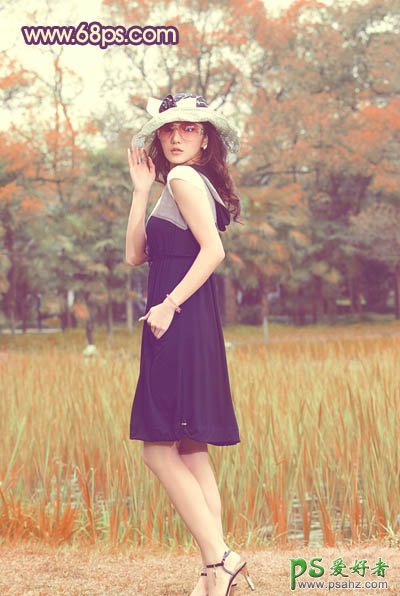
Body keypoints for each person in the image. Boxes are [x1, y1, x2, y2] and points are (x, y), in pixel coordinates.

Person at [125, 92, 255, 596]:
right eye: (168, 129)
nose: (176, 137)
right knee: (191, 448)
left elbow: (213, 251)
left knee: (158, 450)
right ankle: (213, 572)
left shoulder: (183, 178)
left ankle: (221, 559)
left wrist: (168, 304)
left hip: (176, 317)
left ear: (205, 139)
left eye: (189, 128)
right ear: (158, 137)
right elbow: (135, 256)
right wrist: (140, 192)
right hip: (188, 318)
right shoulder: (178, 183)